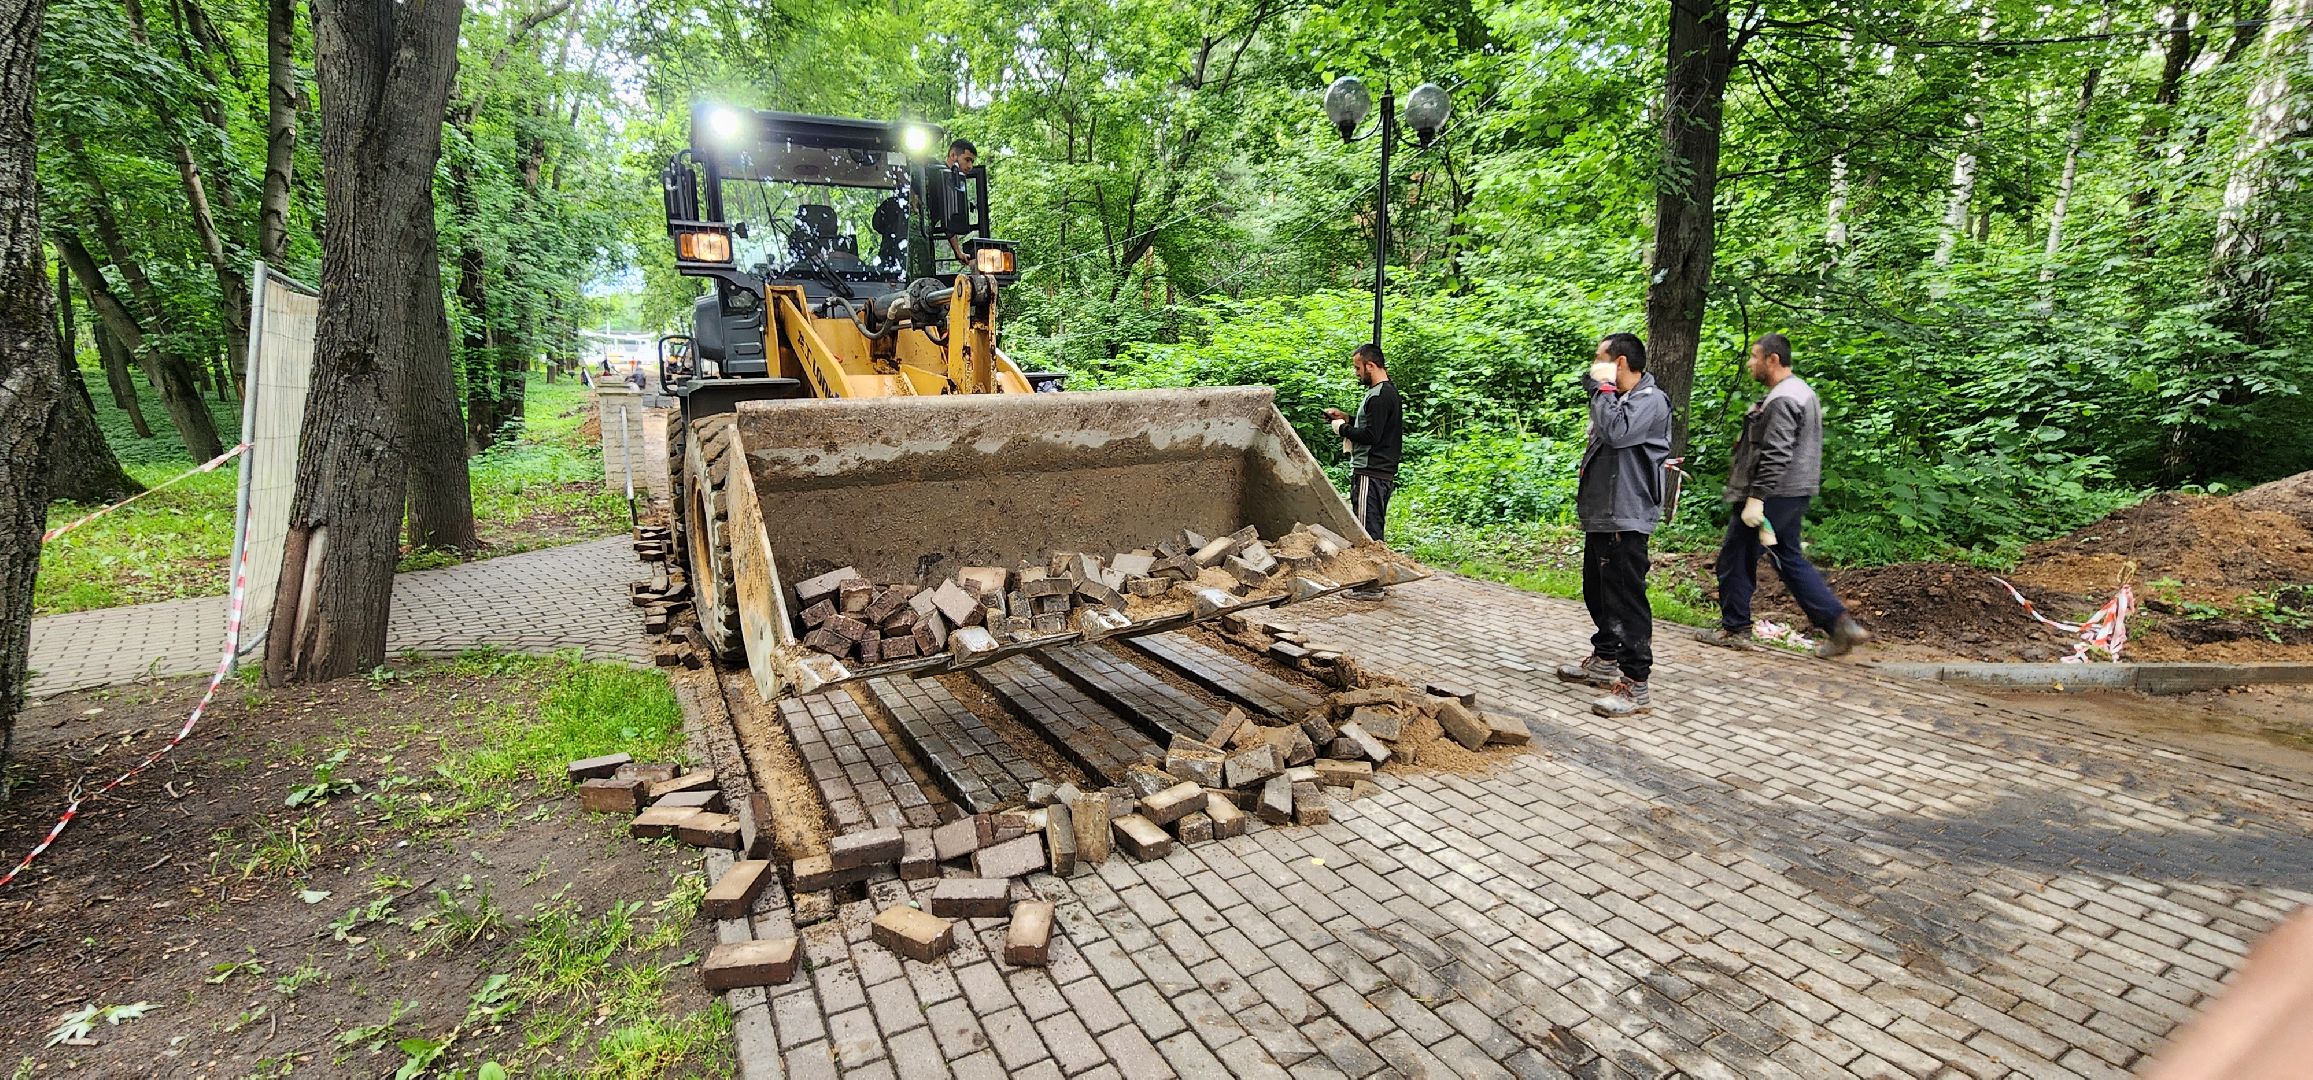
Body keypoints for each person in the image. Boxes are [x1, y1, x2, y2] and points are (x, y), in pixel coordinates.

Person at [1696, 333, 1871, 658]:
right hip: (1792, 492)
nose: (1750, 363)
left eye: (1754, 356)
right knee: (1788, 557)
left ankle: (1734, 629)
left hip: (1773, 493)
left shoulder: (1783, 398)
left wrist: (1757, 498)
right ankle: (1839, 625)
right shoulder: (1800, 392)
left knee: (1735, 558)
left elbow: (1776, 453)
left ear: (1772, 360)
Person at [1555, 332, 1672, 717]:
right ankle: (1606, 657)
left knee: (1625, 598)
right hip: (1604, 514)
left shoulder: (1650, 401)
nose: (1594, 365)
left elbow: (1617, 433)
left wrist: (1602, 391)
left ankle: (1636, 684)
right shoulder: (1618, 399)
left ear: (1618, 363)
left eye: (1600, 358)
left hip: (1628, 514)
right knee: (1598, 591)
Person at [1323, 342, 1402, 601]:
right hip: (1379, 470)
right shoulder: (1384, 393)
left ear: (1371, 365)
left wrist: (1341, 429)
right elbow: (1371, 426)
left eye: (1358, 368)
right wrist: (1345, 418)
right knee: (1373, 524)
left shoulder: (1379, 396)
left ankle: (1369, 585)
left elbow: (1371, 435)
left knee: (1366, 528)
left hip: (1371, 469)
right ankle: (1376, 577)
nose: (1356, 373)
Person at [943, 138, 978, 264]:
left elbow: (949, 221)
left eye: (972, 162)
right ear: (953, 155)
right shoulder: (935, 174)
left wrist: (958, 251)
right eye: (967, 160)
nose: (970, 166)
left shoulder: (954, 183)